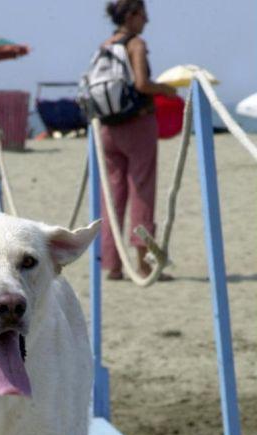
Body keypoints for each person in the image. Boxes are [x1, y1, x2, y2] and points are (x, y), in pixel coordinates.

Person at [100, 0, 176, 280]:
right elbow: (142, 84)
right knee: (142, 191)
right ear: (132, 16)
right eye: (144, 15)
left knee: (113, 196)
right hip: (136, 124)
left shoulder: (106, 45)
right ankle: (144, 264)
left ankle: (112, 264)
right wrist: (167, 90)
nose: (147, 21)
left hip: (108, 127)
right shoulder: (136, 44)